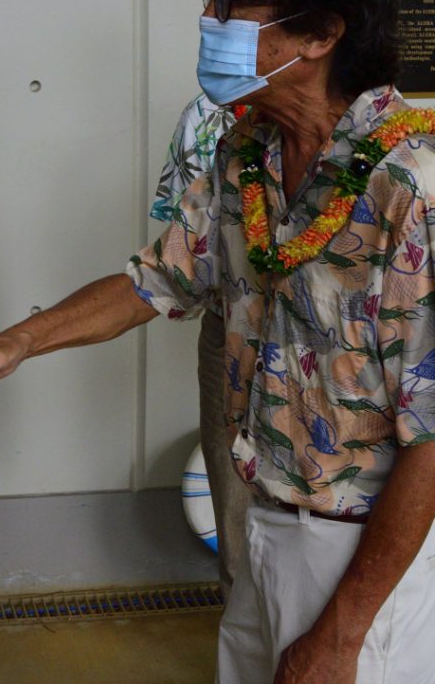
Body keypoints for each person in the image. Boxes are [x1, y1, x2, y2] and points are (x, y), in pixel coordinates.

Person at [0, 0, 435, 683]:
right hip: (262, 527)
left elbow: (433, 438)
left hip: (363, 558)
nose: (210, 18)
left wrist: (343, 635)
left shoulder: (411, 186)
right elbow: (159, 278)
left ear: (318, 31)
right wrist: (13, 345)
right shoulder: (248, 151)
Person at [150, 93, 251, 599]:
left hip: (329, 354)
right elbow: (172, 266)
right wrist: (22, 341)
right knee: (235, 514)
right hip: (227, 330)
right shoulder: (210, 120)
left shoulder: (393, 148)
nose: (215, 22)